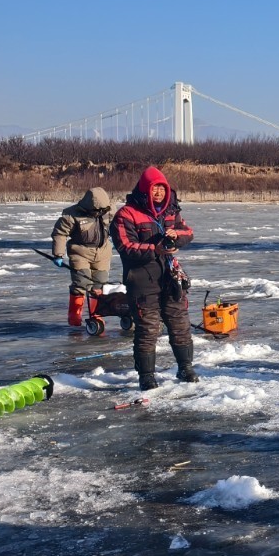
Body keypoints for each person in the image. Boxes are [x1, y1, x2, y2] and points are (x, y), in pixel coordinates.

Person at [111, 167, 197, 390]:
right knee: (148, 329)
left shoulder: (171, 211)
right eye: (154, 188)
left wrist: (176, 236)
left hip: (170, 277)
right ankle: (146, 376)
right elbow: (125, 246)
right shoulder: (126, 214)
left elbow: (188, 232)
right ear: (144, 189)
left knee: (180, 324)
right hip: (141, 279)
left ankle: (185, 367)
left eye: (162, 188)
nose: (158, 192)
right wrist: (155, 249)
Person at [51, 187, 115, 326]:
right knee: (81, 281)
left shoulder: (109, 211)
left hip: (102, 252)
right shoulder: (72, 215)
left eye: (102, 211)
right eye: (96, 211)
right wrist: (58, 253)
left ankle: (96, 315)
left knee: (100, 284)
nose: (99, 213)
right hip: (80, 252)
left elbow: (118, 226)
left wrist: (119, 240)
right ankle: (74, 315)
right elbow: (59, 233)